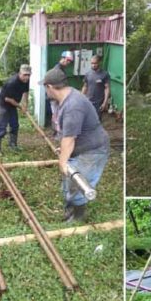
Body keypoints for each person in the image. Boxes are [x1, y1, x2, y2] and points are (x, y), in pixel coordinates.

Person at [42, 68, 110, 223]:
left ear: (50, 87)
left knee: (78, 184)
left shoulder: (73, 105)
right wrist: (65, 152)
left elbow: (69, 139)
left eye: (45, 88)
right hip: (81, 147)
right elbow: (67, 133)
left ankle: (78, 216)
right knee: (69, 182)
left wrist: (62, 161)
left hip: (93, 150)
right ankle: (71, 210)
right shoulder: (67, 98)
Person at [0, 64, 31, 155]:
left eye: (28, 75)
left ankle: (13, 144)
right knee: (2, 126)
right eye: (24, 74)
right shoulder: (12, 82)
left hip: (13, 105)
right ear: (20, 73)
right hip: (4, 104)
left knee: (15, 125)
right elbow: (8, 99)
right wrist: (20, 106)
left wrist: (25, 105)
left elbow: (26, 92)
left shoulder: (26, 81)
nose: (26, 77)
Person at [48, 51, 75, 138]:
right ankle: (57, 134)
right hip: (56, 96)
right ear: (62, 58)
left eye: (69, 62)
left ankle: (56, 133)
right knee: (57, 115)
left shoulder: (61, 69)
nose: (67, 63)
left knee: (56, 114)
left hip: (57, 96)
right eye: (67, 60)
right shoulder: (57, 70)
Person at [81, 55, 110, 120]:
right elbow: (85, 86)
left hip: (98, 103)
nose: (93, 65)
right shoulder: (87, 74)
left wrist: (105, 102)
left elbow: (107, 88)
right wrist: (81, 98)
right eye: (92, 63)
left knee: (97, 121)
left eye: (95, 63)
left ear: (99, 62)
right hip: (88, 101)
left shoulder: (104, 74)